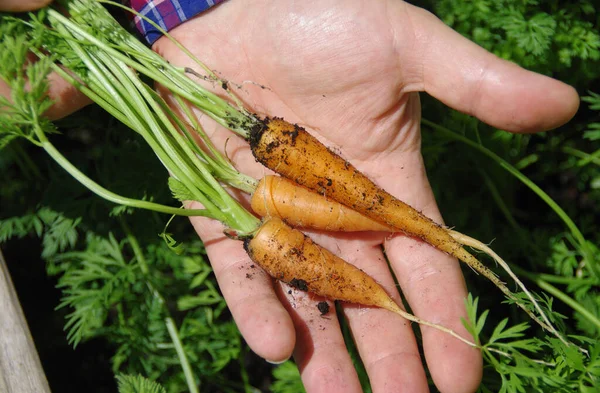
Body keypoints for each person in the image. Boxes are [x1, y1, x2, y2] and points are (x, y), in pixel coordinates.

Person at [0, 1, 579, 392]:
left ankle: (432, 241)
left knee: (395, 215)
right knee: (390, 233)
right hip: (265, 221)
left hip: (270, 155)